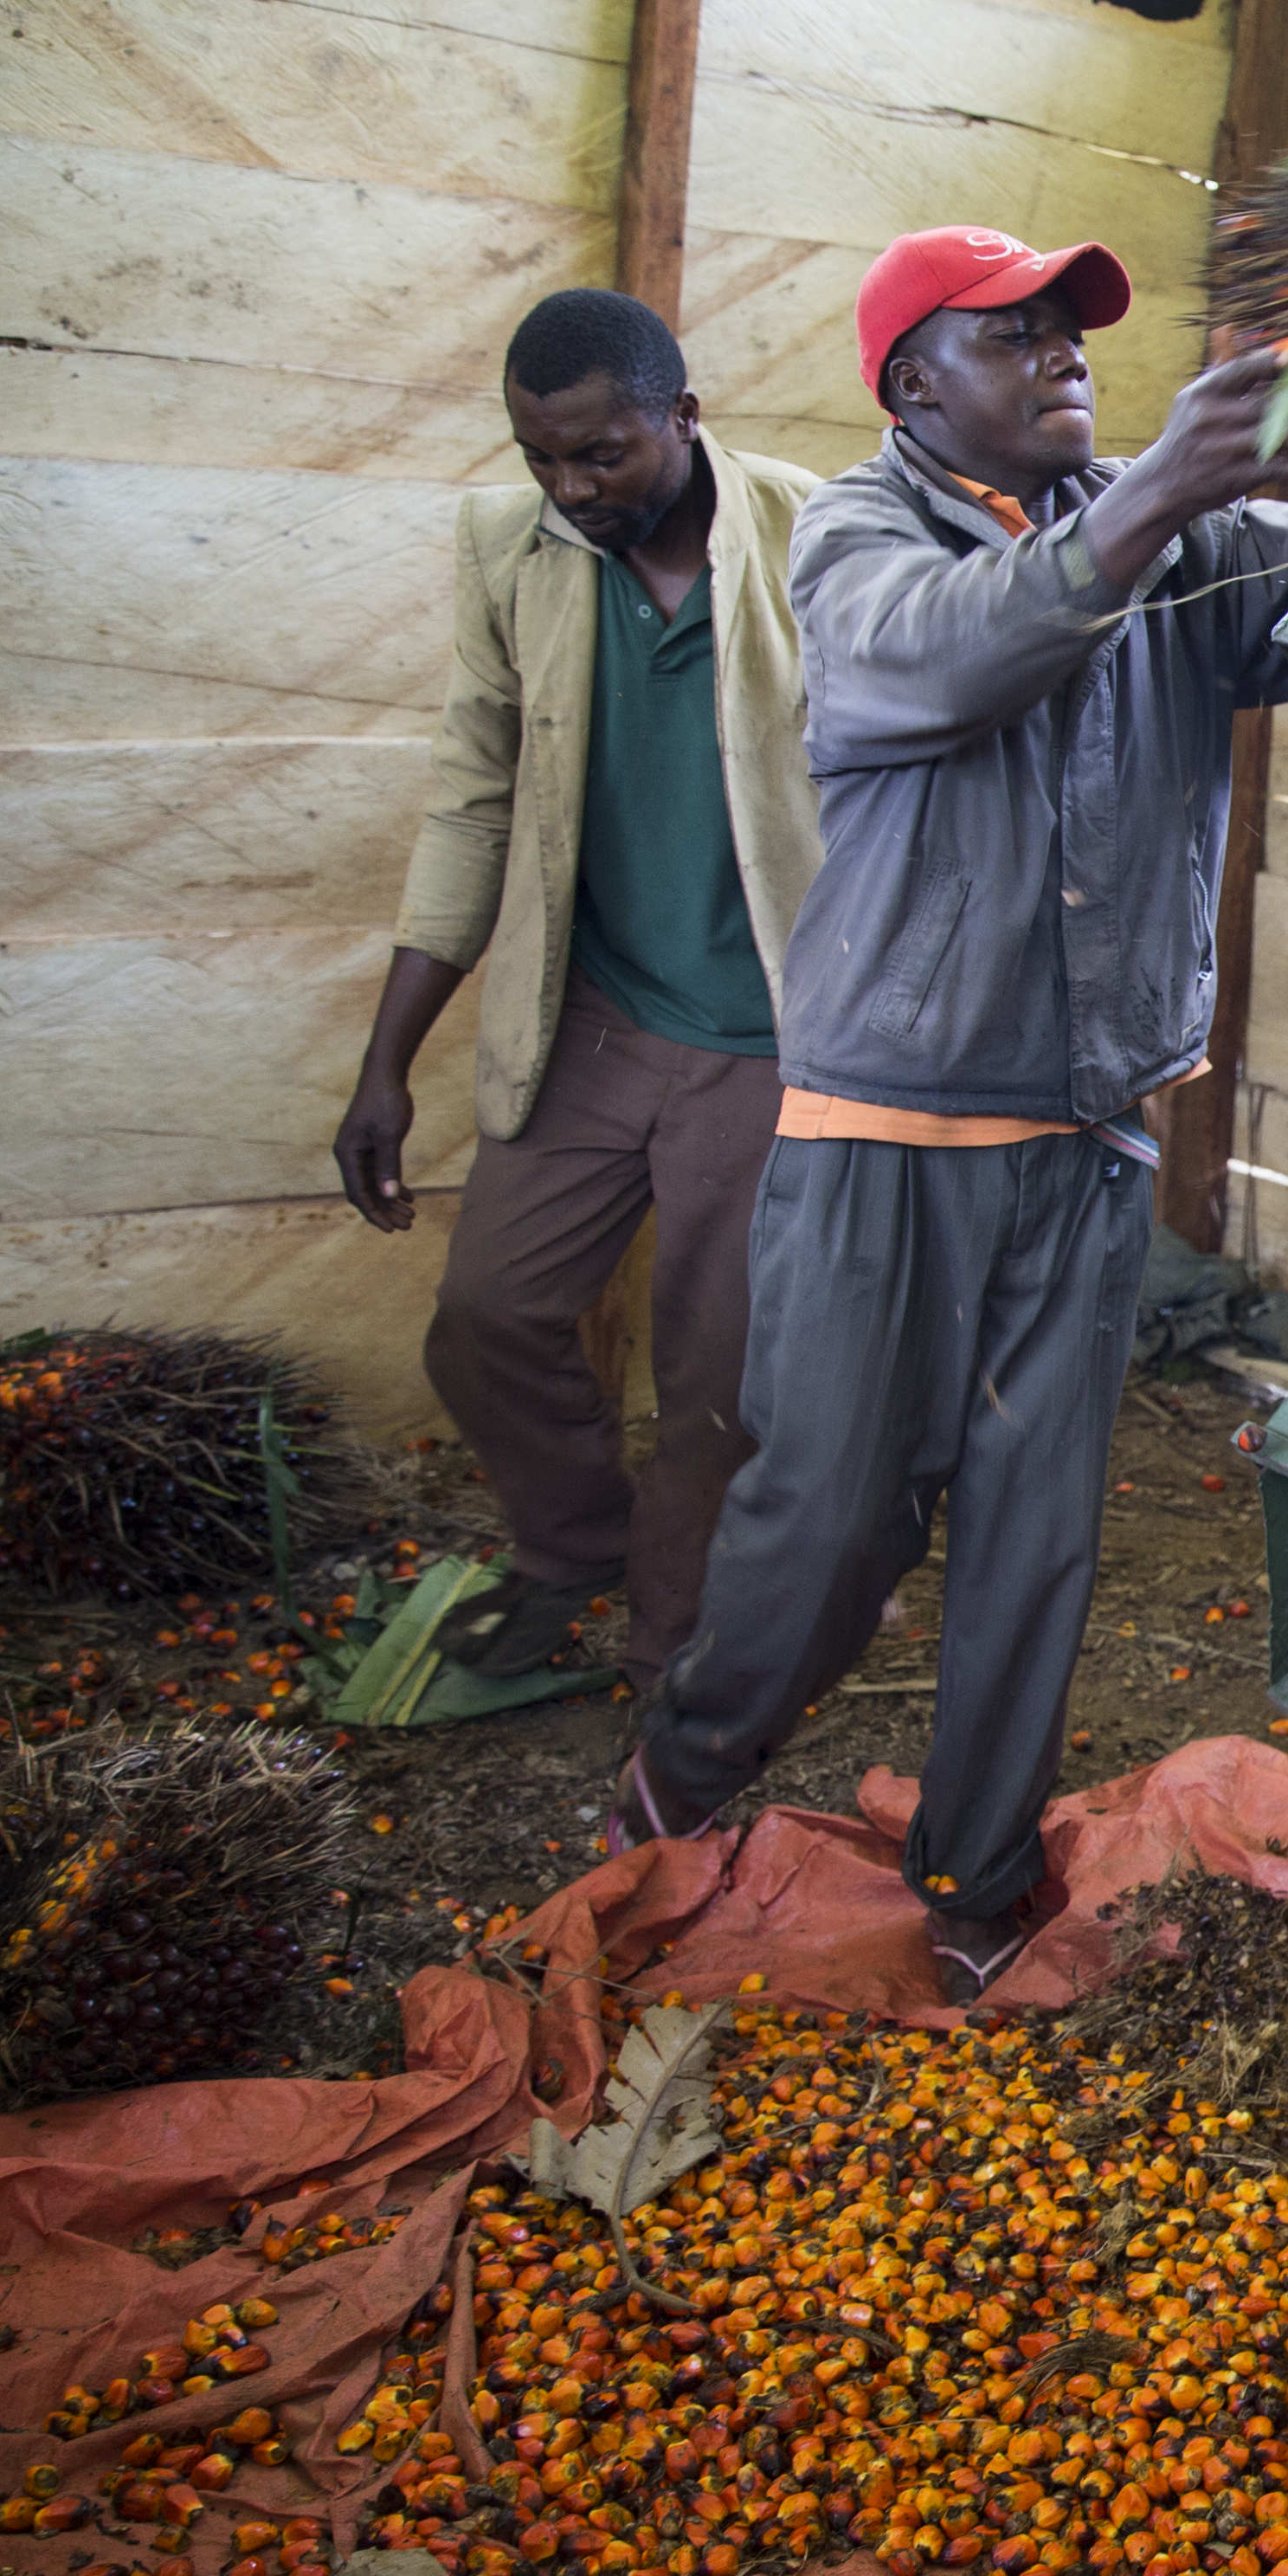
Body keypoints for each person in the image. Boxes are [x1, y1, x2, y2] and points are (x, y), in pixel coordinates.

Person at [603, 225, 1288, 1995]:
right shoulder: (858, 536)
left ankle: (981, 1875)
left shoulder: (1177, 540)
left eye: (1076, 332)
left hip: (1084, 1141)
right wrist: (1153, 489)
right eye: (1015, 337)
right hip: (888, 1140)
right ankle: (676, 1789)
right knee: (830, 1521)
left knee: (1033, 1538)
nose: (1066, 355)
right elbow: (942, 664)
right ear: (914, 386)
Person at [332, 290, 823, 1697]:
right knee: (487, 1317)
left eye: (603, 454)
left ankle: (680, 1670)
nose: (570, 487)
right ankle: (572, 1549)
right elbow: (471, 801)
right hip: (599, 1023)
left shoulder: (811, 534)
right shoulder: (513, 552)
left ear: (684, 413)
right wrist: (388, 1062)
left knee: (717, 1388)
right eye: (541, 456)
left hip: (774, 1040)